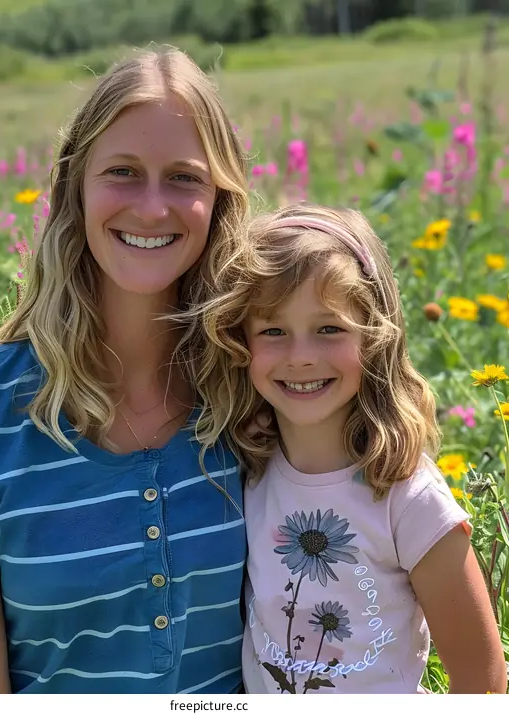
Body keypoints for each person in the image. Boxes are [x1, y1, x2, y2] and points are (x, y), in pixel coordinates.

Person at [0, 47, 249, 694]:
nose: (152, 207)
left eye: (184, 177)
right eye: (122, 171)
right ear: (74, 185)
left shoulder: (255, 396)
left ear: (219, 199)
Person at [186, 203, 507, 694]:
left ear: (375, 337)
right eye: (273, 331)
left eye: (329, 328)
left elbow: (482, 683)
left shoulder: (408, 498)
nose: (301, 357)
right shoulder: (242, 470)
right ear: (241, 343)